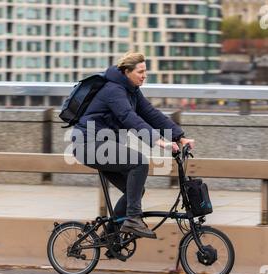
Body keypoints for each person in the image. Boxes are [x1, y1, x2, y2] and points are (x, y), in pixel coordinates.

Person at [72, 52, 195, 239]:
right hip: (89, 144)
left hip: (105, 145)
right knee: (139, 163)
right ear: (127, 71)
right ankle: (132, 220)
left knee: (135, 190)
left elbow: (151, 114)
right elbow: (128, 117)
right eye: (140, 71)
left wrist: (180, 136)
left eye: (145, 71)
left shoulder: (132, 91)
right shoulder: (113, 90)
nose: (144, 75)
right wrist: (157, 140)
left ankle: (110, 236)